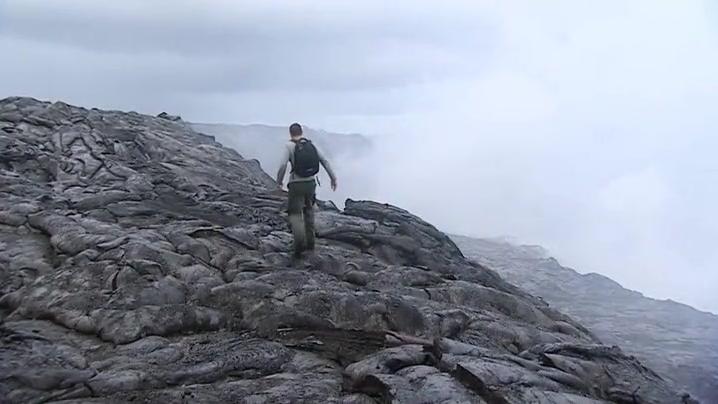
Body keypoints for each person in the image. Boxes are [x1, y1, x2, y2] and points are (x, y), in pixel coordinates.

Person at [276, 123, 337, 259]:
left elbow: (282, 165)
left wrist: (279, 181)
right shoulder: (311, 145)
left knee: (295, 214)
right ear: (302, 132)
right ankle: (311, 244)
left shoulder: (289, 146)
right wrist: (333, 178)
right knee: (309, 212)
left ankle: (299, 245)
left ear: (290, 133)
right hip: (310, 184)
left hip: (296, 184)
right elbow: (324, 161)